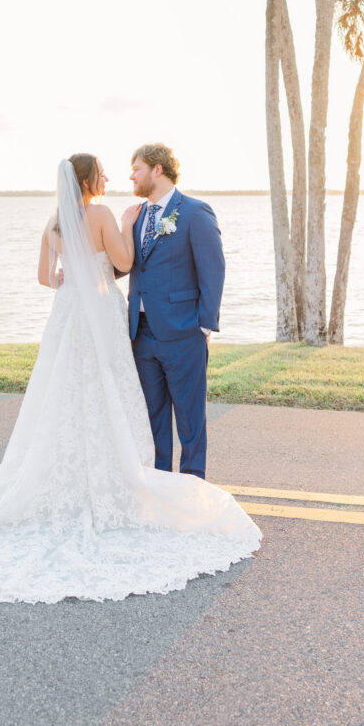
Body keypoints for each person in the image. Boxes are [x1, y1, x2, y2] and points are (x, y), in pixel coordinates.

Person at [0, 154, 261, 604]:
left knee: (68, 397)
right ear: (90, 179)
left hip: (69, 315)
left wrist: (69, 278)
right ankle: (149, 483)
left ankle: (138, 481)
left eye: (129, 169)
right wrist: (127, 226)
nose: (115, 177)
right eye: (106, 173)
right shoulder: (107, 214)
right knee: (111, 394)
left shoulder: (55, 223)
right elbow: (125, 261)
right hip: (105, 317)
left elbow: (43, 277)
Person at [128, 143, 224, 480]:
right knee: (152, 419)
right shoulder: (136, 216)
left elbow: (213, 270)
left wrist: (203, 327)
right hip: (140, 335)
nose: (131, 176)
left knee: (190, 420)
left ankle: (193, 490)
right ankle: (159, 488)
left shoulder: (196, 213)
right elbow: (125, 264)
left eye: (136, 168)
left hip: (184, 334)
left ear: (157, 169)